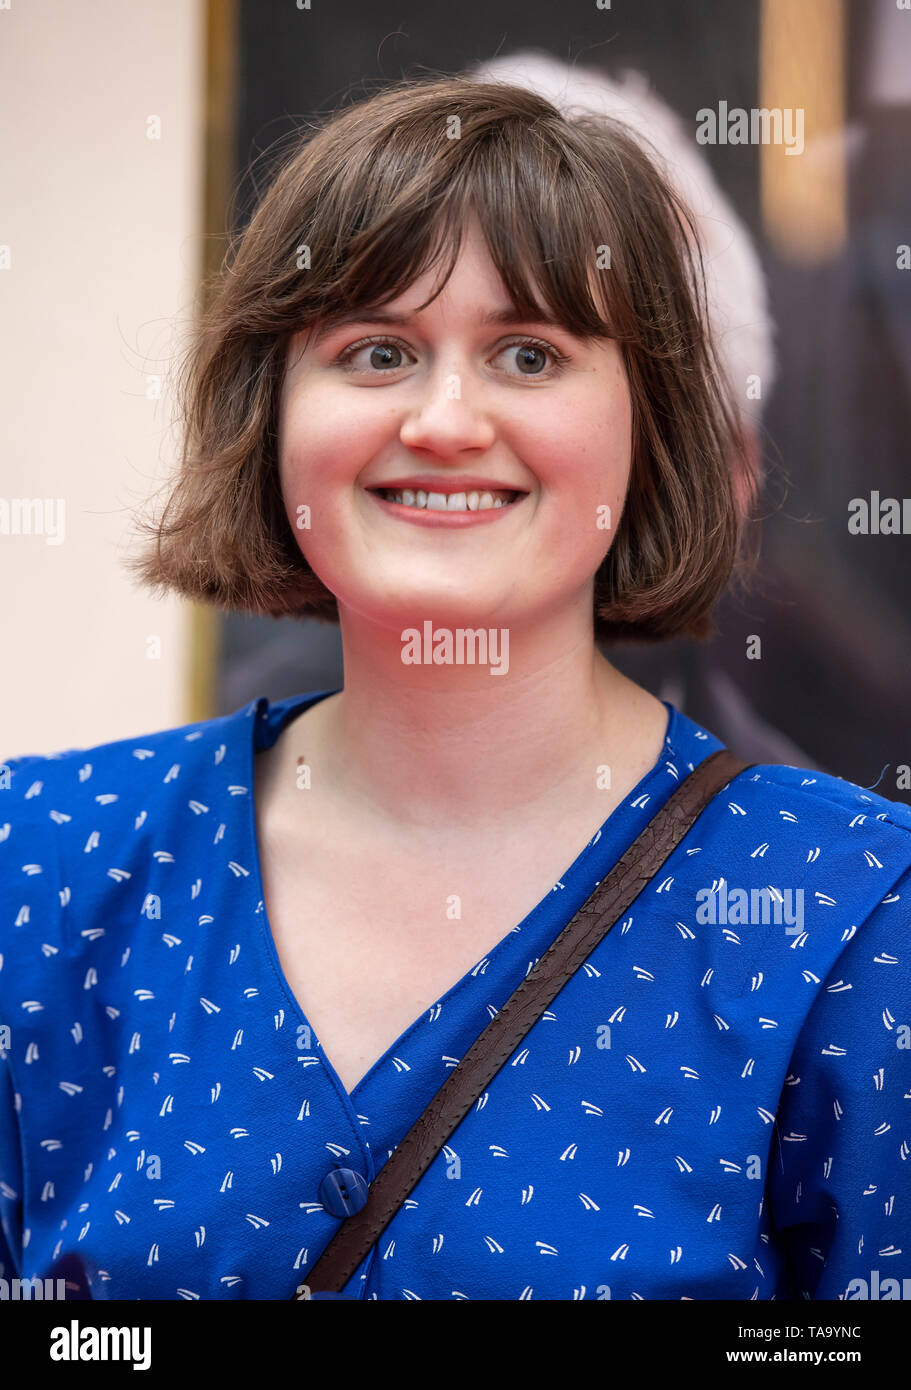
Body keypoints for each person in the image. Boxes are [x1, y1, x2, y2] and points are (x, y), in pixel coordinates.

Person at [1, 73, 909, 1303]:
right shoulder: (44, 862)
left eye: (527, 353)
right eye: (375, 350)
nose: (442, 417)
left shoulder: (849, 908)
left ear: (649, 427)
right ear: (270, 412)